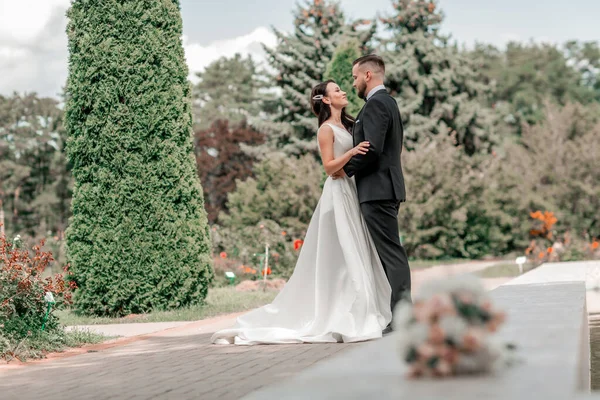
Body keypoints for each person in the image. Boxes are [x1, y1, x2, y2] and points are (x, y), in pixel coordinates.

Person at [210, 79, 392, 345]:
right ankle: (346, 310)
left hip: (352, 191)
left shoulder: (350, 125)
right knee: (344, 252)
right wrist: (352, 151)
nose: (343, 92)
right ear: (327, 100)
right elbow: (329, 167)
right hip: (337, 193)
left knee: (357, 249)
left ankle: (362, 304)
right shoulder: (326, 130)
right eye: (337, 90)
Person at [334, 54, 412, 333]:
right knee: (387, 254)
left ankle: (403, 316)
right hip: (382, 188)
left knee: (391, 254)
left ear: (368, 76)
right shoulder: (384, 103)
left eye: (355, 77)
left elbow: (373, 148)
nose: (353, 83)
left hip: (378, 189)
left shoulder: (377, 103)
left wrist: (344, 170)